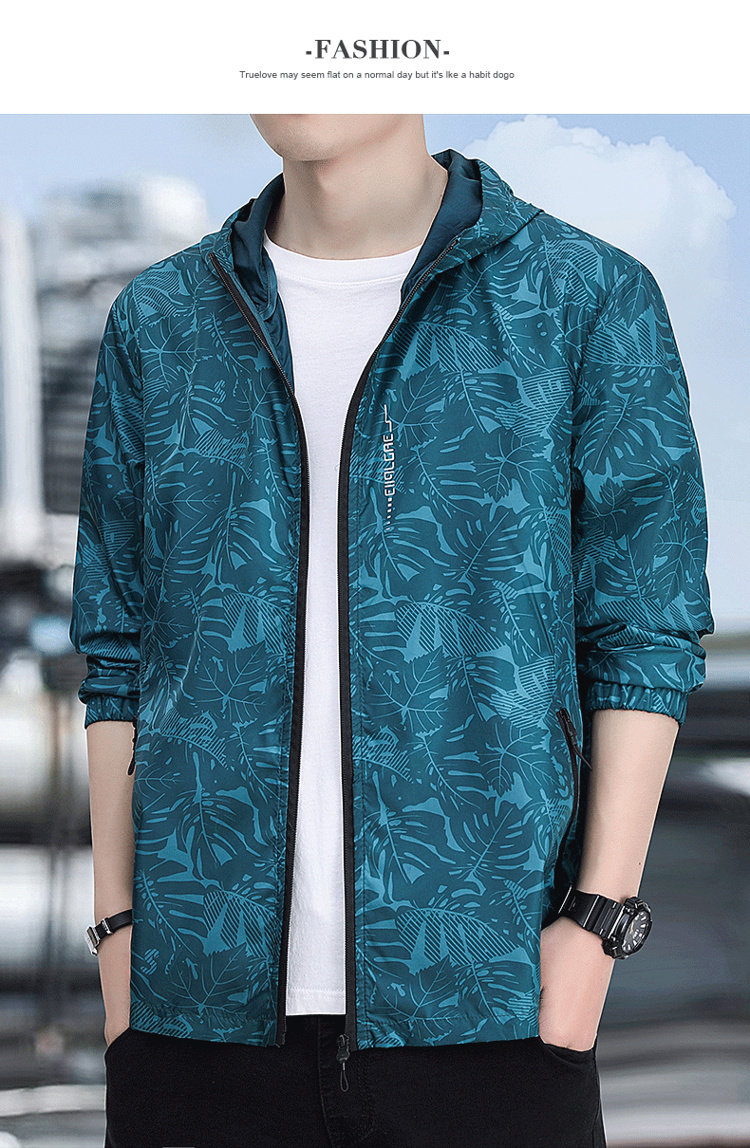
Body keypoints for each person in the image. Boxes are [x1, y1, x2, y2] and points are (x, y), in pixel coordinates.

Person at [70, 114, 714, 1147]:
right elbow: (117, 646)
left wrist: (597, 927)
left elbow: (644, 626)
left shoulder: (581, 295)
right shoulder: (162, 316)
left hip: (493, 1010)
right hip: (192, 1017)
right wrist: (119, 934)